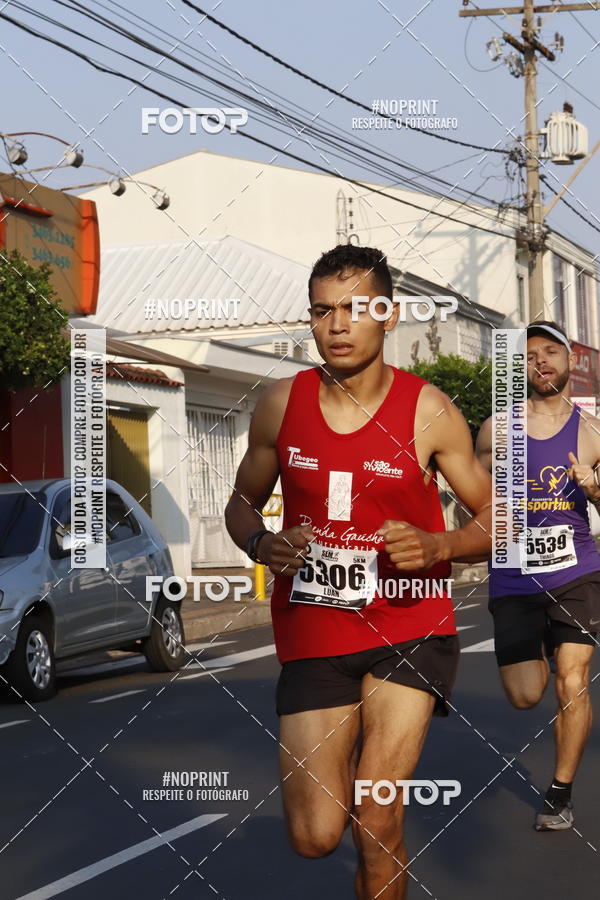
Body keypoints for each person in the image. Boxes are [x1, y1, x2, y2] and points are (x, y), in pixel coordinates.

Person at [225, 244, 492, 898]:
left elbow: (497, 520)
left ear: (388, 316)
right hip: (315, 631)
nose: (337, 325)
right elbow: (240, 503)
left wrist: (439, 545)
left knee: (375, 818)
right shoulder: (280, 404)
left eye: (355, 309)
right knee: (316, 834)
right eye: (322, 311)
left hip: (409, 624)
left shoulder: (428, 411)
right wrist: (261, 543)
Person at [476, 320, 600, 831]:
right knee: (525, 693)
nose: (541, 361)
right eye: (529, 356)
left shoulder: (592, 431)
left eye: (551, 351)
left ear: (569, 360)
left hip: (577, 569)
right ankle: (544, 643)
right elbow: (473, 494)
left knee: (573, 680)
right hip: (514, 573)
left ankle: (560, 793)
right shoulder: (495, 430)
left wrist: (595, 490)